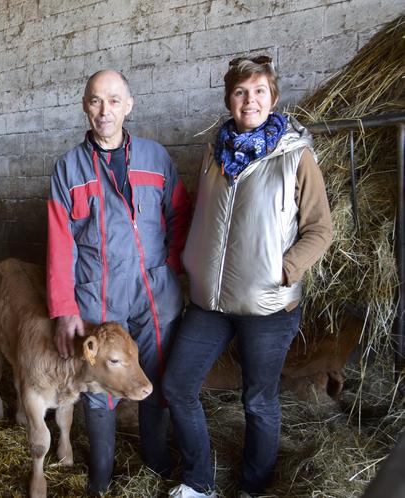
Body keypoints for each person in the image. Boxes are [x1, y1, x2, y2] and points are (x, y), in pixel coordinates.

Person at [162, 56, 333, 498]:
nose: (249, 99)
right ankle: (198, 482)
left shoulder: (296, 154)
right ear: (229, 100)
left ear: (272, 98)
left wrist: (284, 269)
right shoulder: (213, 154)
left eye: (259, 91)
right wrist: (191, 258)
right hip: (210, 303)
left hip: (267, 304)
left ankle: (254, 488)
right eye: (240, 92)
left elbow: (320, 228)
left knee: (258, 401)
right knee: (177, 385)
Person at [47, 69, 191, 494]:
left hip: (154, 293)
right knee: (99, 382)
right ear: (84, 107)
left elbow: (179, 213)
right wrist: (64, 308)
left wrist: (170, 264)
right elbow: (60, 241)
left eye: (113, 100)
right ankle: (101, 475)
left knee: (153, 371)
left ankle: (156, 458)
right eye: (95, 100)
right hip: (97, 294)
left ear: (129, 105)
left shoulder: (156, 158)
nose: (104, 110)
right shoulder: (69, 168)